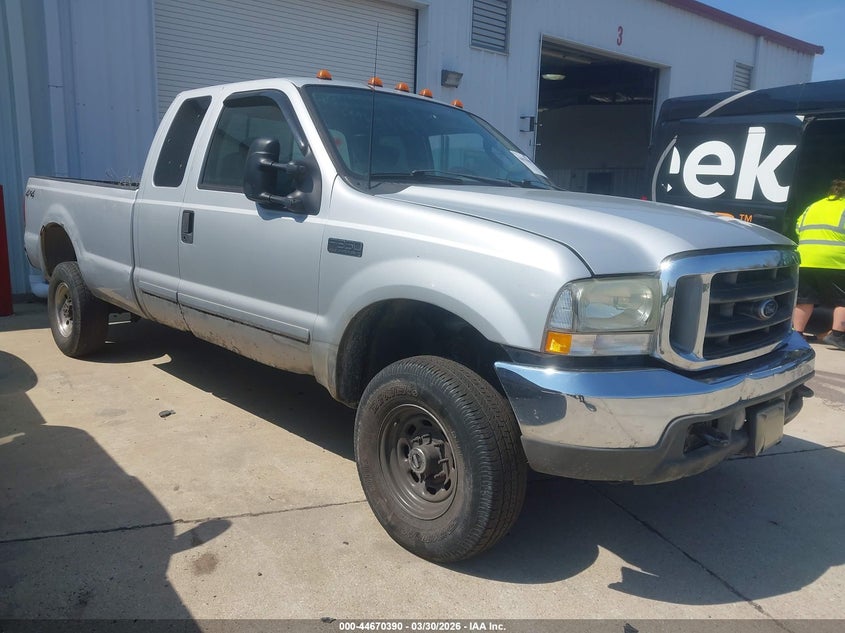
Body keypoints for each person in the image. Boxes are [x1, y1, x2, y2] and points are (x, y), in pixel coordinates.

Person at [792, 179, 845, 350]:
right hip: (836, 261)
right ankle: (838, 335)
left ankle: (797, 333)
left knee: (804, 299)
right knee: (842, 299)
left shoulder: (813, 206)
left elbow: (798, 227)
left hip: (806, 257)